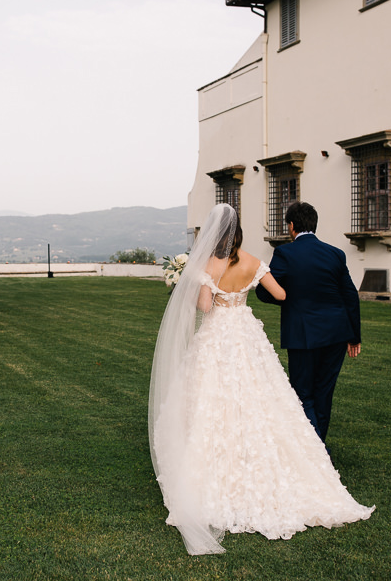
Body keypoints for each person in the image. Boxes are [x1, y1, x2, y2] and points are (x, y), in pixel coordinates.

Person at [149, 203, 373, 556]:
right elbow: (281, 294)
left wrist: (193, 285)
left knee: (214, 395)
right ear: (237, 232)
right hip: (246, 331)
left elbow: (206, 307)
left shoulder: (207, 264)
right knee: (263, 394)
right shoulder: (252, 260)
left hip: (219, 333)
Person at [255, 201, 361, 446]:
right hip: (336, 334)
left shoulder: (284, 253)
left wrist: (289, 300)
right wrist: (354, 336)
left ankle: (314, 454)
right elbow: (350, 295)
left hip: (303, 334)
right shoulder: (336, 253)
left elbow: (267, 292)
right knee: (324, 393)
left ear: (292, 226)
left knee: (303, 394)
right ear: (314, 224)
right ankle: (319, 449)